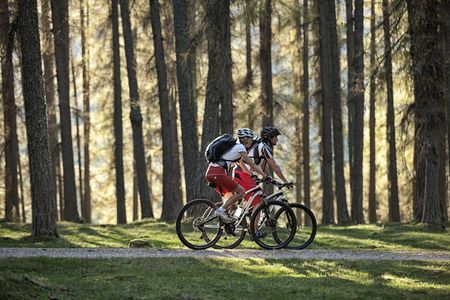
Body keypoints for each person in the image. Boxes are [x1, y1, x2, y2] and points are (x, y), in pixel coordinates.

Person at [205, 134, 267, 223]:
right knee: (241, 192)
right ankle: (220, 211)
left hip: (210, 173)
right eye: (250, 139)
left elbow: (241, 163)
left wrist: (251, 175)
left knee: (231, 198)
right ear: (245, 139)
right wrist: (264, 176)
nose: (251, 141)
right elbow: (252, 165)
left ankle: (226, 223)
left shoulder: (233, 148)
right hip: (218, 173)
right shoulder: (240, 148)